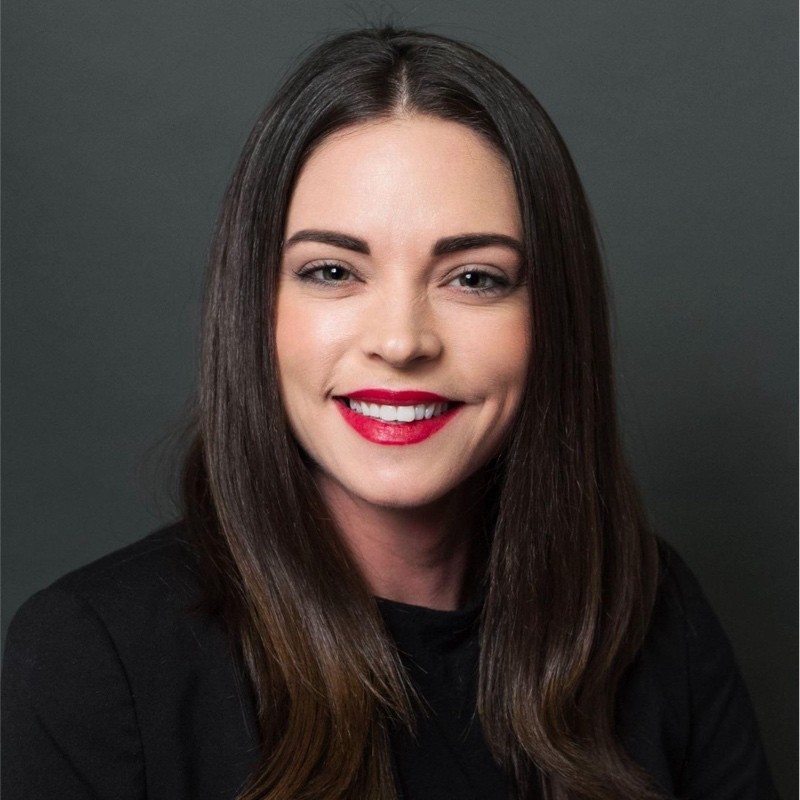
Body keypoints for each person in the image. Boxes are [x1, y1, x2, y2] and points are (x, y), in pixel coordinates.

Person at [2, 26, 778, 800]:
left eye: (474, 278)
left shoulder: (648, 613)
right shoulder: (95, 656)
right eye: (333, 270)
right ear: (254, 309)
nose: (402, 342)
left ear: (553, 319)